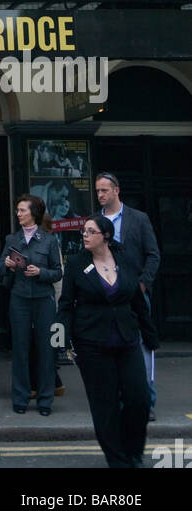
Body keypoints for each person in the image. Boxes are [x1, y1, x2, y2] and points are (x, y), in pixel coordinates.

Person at [58, 214, 157, 468]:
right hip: (92, 344)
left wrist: (149, 334)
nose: (85, 235)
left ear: (106, 236)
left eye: (90, 231)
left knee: (140, 399)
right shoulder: (77, 264)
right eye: (83, 231)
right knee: (106, 407)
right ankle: (119, 461)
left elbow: (137, 301)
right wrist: (58, 340)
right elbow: (66, 305)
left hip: (127, 340)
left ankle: (133, 451)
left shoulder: (124, 260)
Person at [94, 171, 161, 416]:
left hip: (134, 293)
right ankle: (118, 401)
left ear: (116, 191)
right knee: (111, 346)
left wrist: (142, 285)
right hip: (106, 294)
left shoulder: (138, 219)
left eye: (104, 190)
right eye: (97, 191)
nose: (100, 195)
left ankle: (146, 403)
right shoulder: (94, 221)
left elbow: (153, 255)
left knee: (142, 348)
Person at [0, 193, 63, 416]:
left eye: (22, 210)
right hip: (20, 298)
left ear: (33, 213)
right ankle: (21, 397)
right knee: (20, 348)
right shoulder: (12, 240)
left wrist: (40, 272)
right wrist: (7, 265)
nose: (18, 214)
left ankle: (45, 400)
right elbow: (0, 268)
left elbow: (57, 272)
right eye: (17, 210)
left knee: (46, 349)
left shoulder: (48, 240)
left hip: (43, 299)